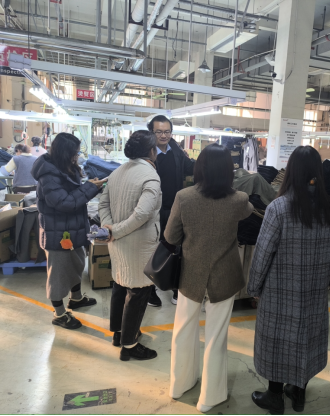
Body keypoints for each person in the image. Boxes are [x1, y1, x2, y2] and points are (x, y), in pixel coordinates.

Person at [248, 146, 330, 415]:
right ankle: (298, 392)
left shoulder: (279, 207)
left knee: (277, 341)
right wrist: (329, 281)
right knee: (306, 340)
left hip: (280, 290)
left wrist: (254, 286)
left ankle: (274, 396)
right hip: (314, 291)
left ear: (291, 171)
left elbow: (263, 252)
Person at [165, 144, 253, 413]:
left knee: (183, 330)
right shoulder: (239, 199)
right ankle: (209, 397)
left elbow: (170, 237)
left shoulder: (184, 197)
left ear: (199, 167)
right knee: (216, 336)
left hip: (190, 274)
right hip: (225, 275)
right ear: (229, 170)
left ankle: (179, 385)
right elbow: (249, 212)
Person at [32, 133, 106, 329]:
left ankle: (76, 298)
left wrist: (93, 187)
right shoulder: (48, 175)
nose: (77, 156)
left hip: (72, 229)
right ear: (65, 153)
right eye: (75, 153)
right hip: (57, 233)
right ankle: (59, 314)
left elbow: (73, 194)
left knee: (76, 264)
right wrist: (89, 188)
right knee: (58, 274)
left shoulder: (66, 168)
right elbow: (63, 202)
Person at [99, 130, 161, 362]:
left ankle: (118, 333)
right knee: (138, 291)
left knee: (120, 284)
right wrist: (117, 230)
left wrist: (110, 228)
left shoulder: (116, 172)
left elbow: (103, 204)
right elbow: (143, 213)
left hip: (116, 242)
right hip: (139, 244)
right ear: (151, 151)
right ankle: (130, 345)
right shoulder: (151, 176)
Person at [146, 115, 196, 307]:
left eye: (167, 131)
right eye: (159, 132)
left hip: (174, 207)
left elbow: (189, 167)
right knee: (153, 248)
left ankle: (175, 287)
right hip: (153, 209)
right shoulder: (146, 153)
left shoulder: (174, 148)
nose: (163, 135)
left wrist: (207, 163)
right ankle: (149, 290)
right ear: (152, 132)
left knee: (175, 247)